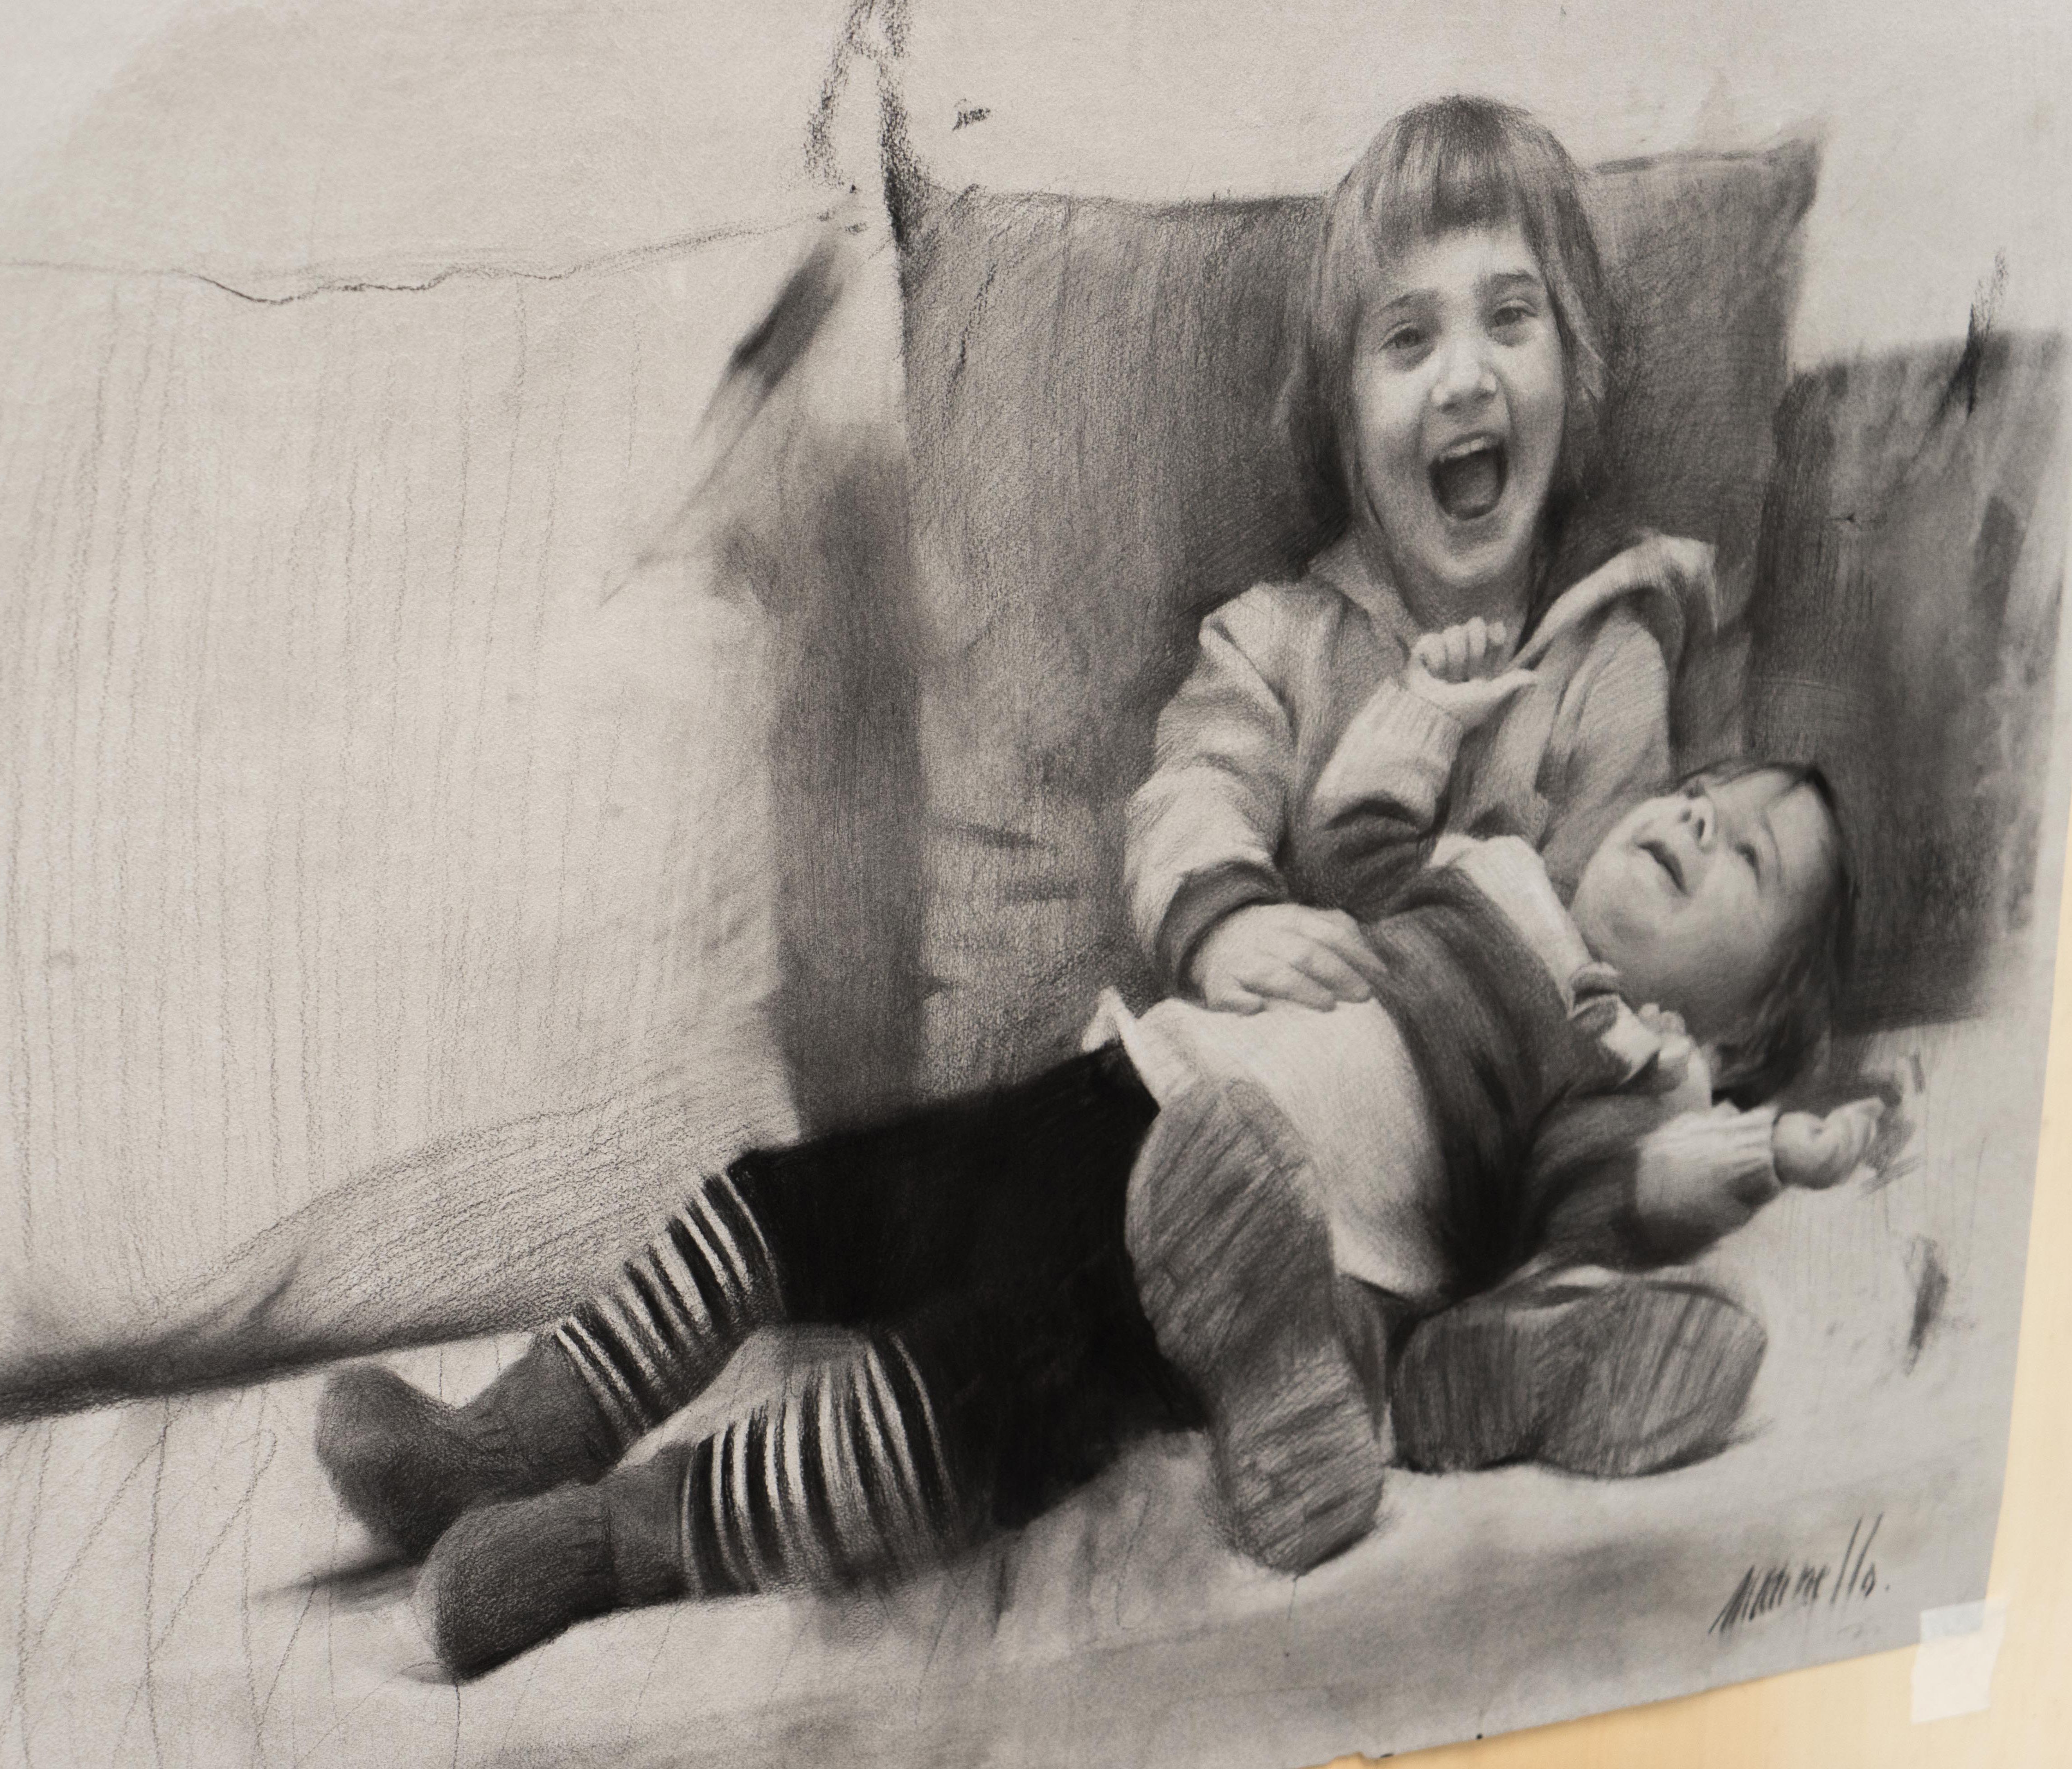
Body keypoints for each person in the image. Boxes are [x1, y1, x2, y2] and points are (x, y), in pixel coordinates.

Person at [311, 620, 1880, 1679]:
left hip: (1227, 1249)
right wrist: (1422, 709)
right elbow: (1355, 847)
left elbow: (1611, 1199)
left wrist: (1740, 1156)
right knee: (792, 1200)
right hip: (1120, 1090)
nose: (1695, 817)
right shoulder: (1497, 876)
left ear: (1742, 1029)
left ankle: (601, 1547)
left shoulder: (1621, 1077)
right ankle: (506, 1441)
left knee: (956, 1399)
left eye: (1745, 855)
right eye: (1701, 793)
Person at [1129, 93, 1698, 1020]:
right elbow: (1197, 789)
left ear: (1575, 368)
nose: (1464, 379)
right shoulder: (1270, 645)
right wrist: (1226, 925)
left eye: (1509, 318)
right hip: (1253, 1065)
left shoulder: (1608, 665)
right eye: (1408, 338)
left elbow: (1592, 948)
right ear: (1345, 420)